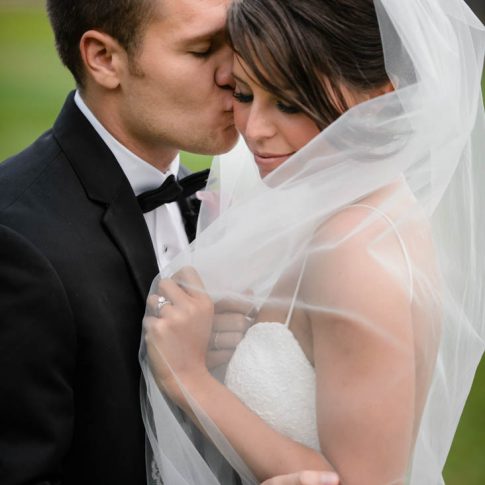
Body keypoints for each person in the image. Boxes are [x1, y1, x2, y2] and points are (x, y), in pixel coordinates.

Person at [141, 0, 485, 484]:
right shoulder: (352, 202)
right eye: (243, 93)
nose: (255, 131)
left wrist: (189, 378)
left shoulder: (354, 254)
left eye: (288, 103)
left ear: (379, 100)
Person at [0, 0, 247, 483]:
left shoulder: (232, 200)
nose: (236, 73)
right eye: (201, 50)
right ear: (104, 59)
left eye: (237, 39)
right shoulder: (15, 243)